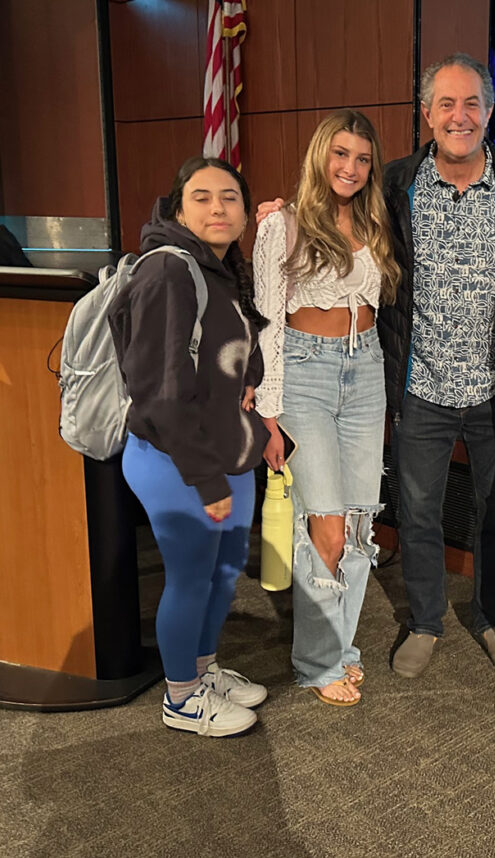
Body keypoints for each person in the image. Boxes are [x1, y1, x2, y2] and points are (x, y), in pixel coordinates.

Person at [378, 53, 495, 678]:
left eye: (472, 102)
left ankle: (492, 617)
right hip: (421, 384)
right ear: (427, 113)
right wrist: (277, 216)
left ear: (490, 111)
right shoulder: (395, 184)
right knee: (417, 514)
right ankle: (425, 621)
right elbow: (333, 218)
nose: (459, 115)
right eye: (446, 103)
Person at [111, 156, 271, 737]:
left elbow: (233, 350)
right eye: (201, 197)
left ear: (246, 213)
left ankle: (202, 671)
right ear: (179, 210)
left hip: (226, 451)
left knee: (222, 575)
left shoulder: (220, 269)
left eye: (230, 197)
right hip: (176, 459)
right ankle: (181, 698)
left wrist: (247, 381)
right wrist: (205, 478)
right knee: (190, 578)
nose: (217, 208)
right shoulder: (168, 272)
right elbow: (159, 392)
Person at [252, 110, 401, 706]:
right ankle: (316, 663)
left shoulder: (374, 221)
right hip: (305, 372)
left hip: (365, 368)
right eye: (341, 154)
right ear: (321, 155)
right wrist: (268, 414)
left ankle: (340, 650)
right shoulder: (281, 223)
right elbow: (267, 321)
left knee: (360, 526)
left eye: (362, 159)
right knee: (327, 527)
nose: (351, 167)